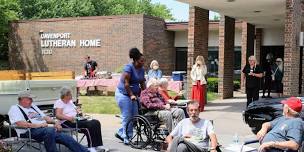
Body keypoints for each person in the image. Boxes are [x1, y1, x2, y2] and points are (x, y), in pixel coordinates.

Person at [8, 90, 88, 152]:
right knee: (49, 131)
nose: (32, 101)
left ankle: (85, 151)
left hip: (44, 130)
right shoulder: (14, 108)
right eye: (29, 99)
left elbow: (45, 117)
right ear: (22, 99)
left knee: (66, 137)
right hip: (28, 132)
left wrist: (55, 122)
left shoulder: (33, 106)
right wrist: (38, 125)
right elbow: (20, 123)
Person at [54, 87, 108, 152]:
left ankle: (97, 145)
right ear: (66, 95)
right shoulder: (59, 102)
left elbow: (76, 110)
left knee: (96, 122)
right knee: (89, 126)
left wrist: (78, 111)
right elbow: (58, 115)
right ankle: (91, 147)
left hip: (75, 119)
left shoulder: (70, 102)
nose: (71, 96)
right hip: (66, 122)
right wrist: (69, 118)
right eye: (70, 94)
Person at [114, 48, 146, 145]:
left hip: (134, 95)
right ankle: (127, 137)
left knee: (135, 115)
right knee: (127, 116)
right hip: (123, 94)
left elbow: (142, 83)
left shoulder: (142, 69)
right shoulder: (128, 68)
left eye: (144, 60)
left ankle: (121, 132)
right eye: (141, 61)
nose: (143, 62)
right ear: (136, 60)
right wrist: (131, 95)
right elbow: (126, 84)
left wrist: (145, 94)